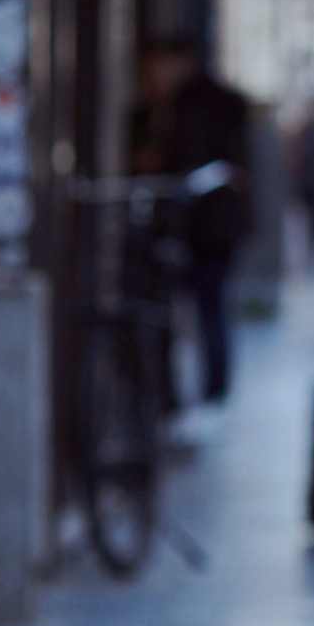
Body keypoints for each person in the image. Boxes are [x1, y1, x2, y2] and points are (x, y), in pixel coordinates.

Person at [131, 42, 251, 403]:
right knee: (209, 307)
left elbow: (187, 163)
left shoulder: (192, 106)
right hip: (216, 226)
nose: (153, 78)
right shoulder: (207, 103)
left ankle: (204, 391)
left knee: (202, 308)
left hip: (201, 227)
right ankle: (210, 389)